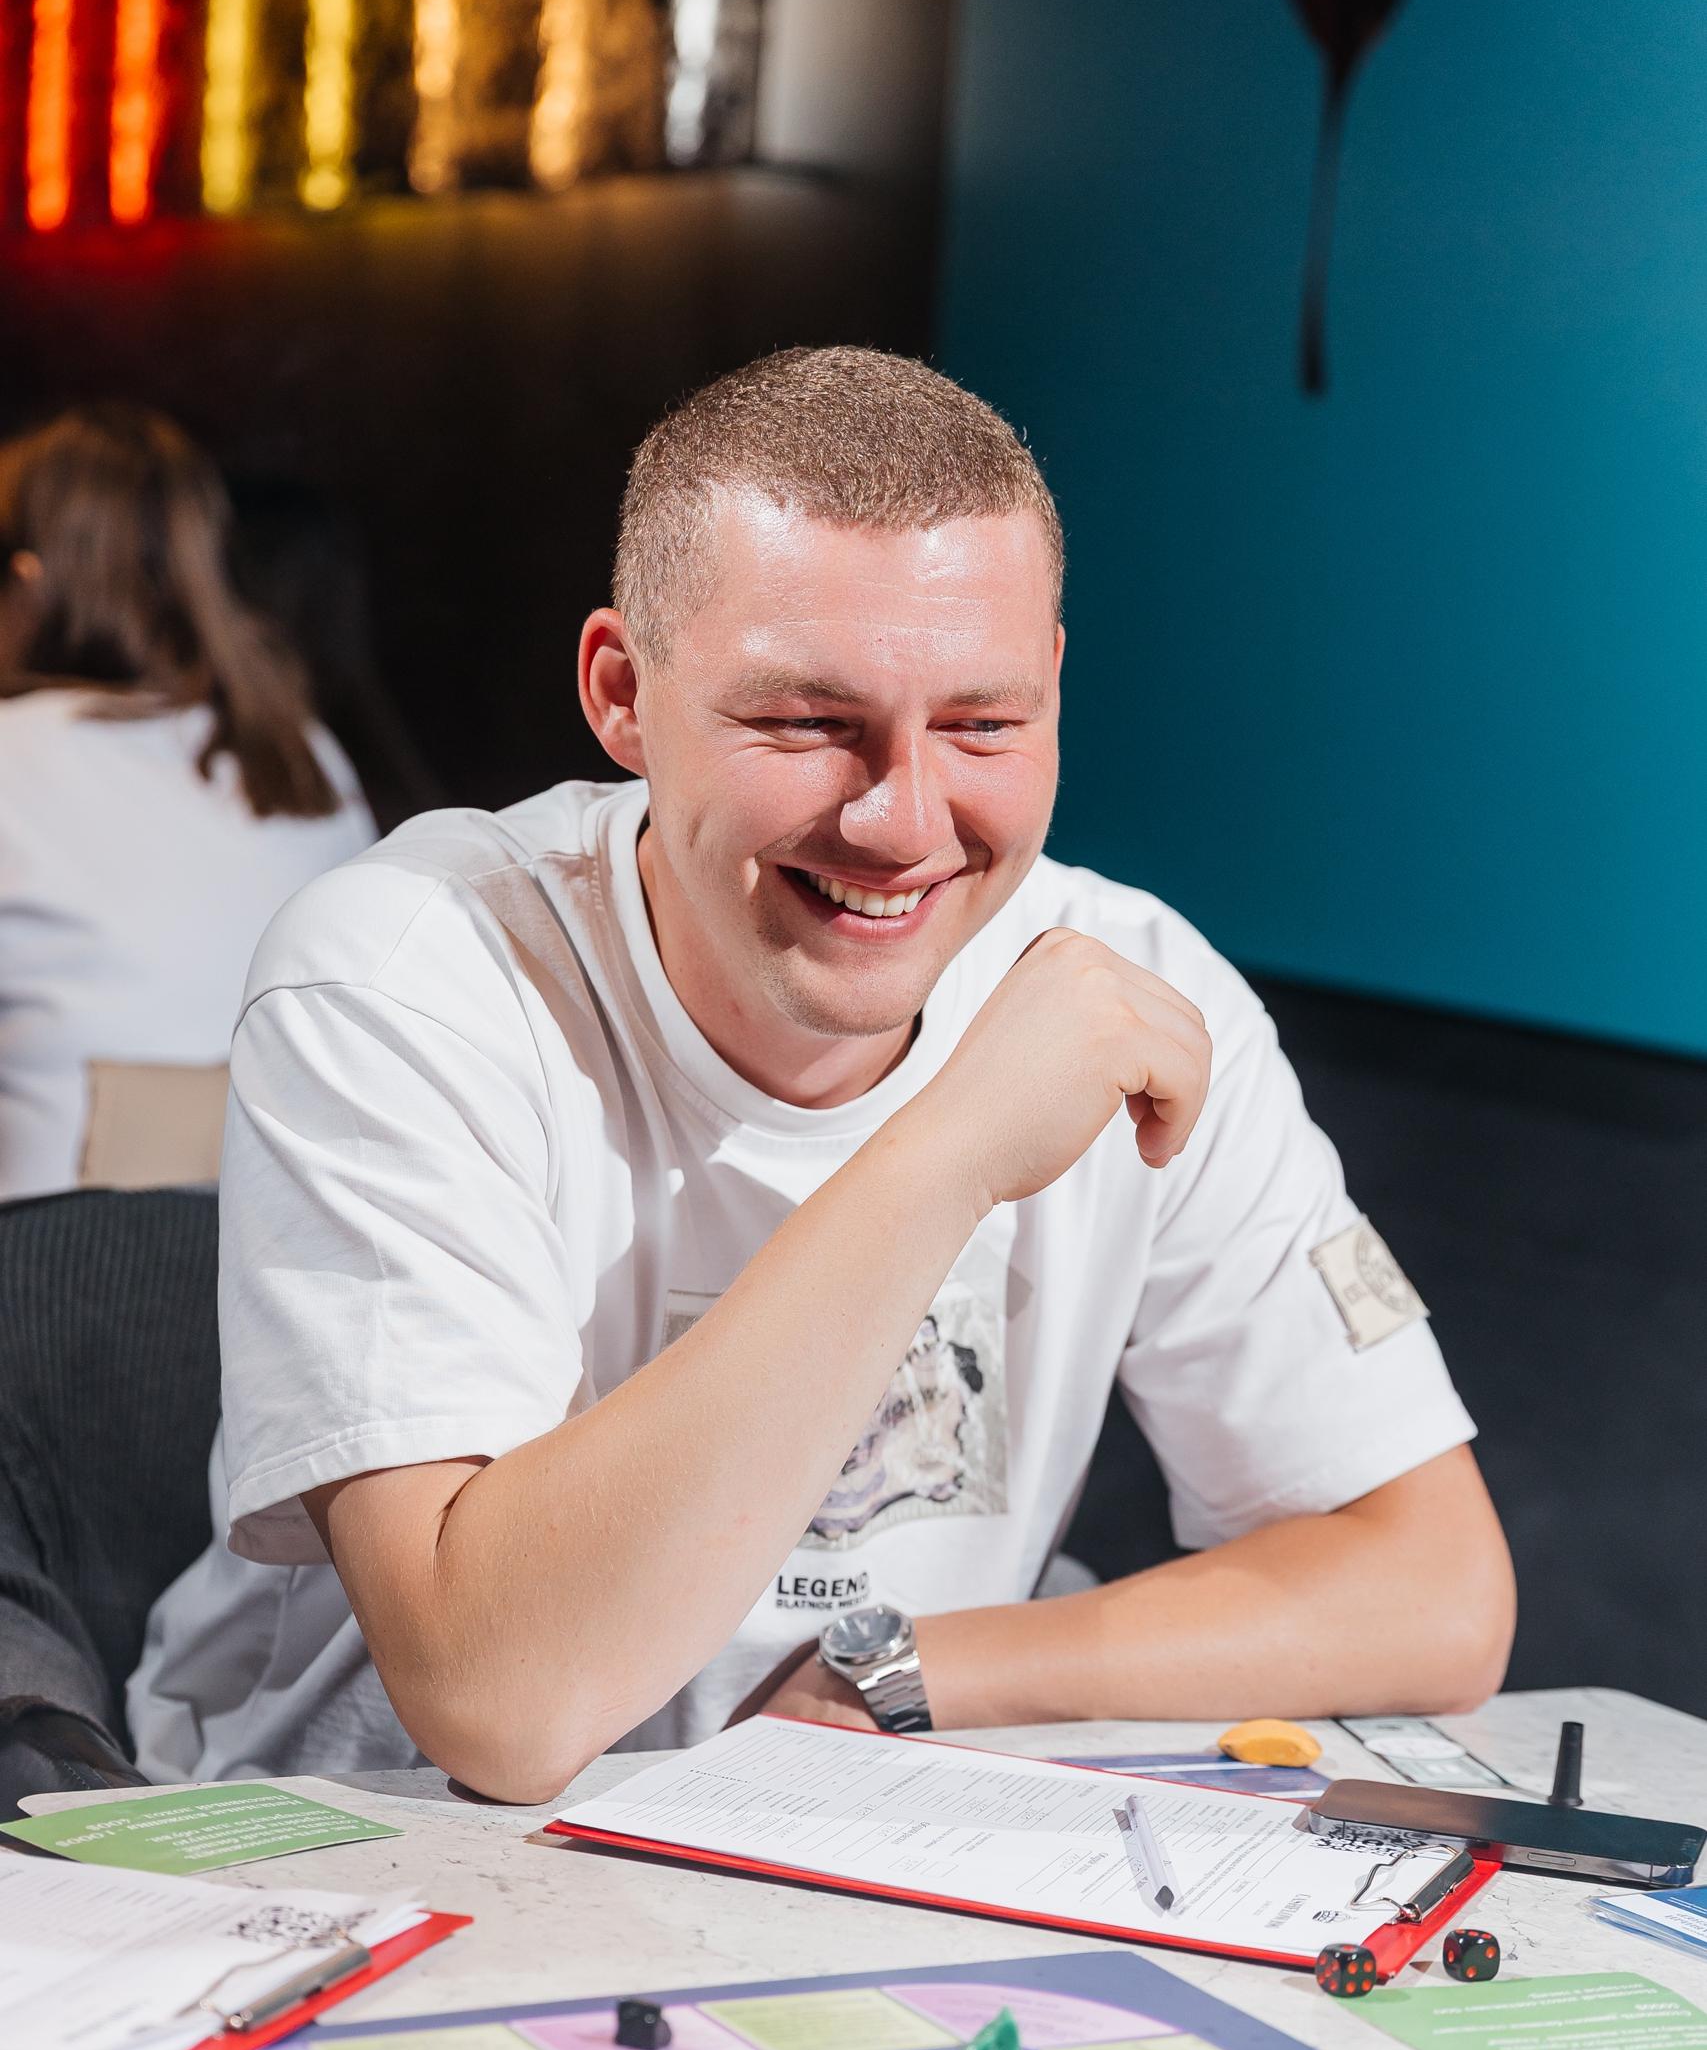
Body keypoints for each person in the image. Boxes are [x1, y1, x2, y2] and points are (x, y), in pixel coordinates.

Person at [127, 348, 1514, 1796]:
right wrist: (947, 1151)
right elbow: (498, 1705)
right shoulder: (411, 970)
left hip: (843, 1843)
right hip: (359, 1851)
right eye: (806, 723)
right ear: (621, 693)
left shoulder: (1133, 983)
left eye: (980, 724)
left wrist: (894, 1675)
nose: (902, 822)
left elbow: (1434, 1588)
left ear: (1051, 686)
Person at [0, 405, 375, 1201]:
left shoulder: (14, 752)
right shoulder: (302, 754)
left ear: (26, 584)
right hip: (287, 1230)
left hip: (50, 1253)